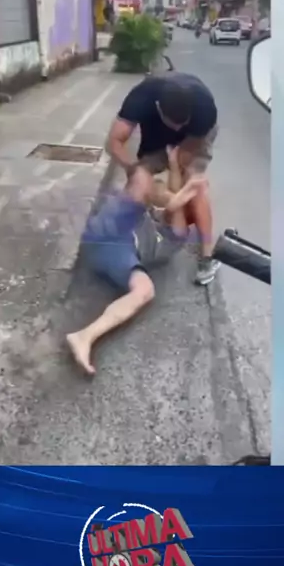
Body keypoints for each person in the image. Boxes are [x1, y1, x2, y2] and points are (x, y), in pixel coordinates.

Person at [66, 148, 205, 375]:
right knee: (139, 188)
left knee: (145, 290)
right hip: (114, 231)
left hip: (117, 247)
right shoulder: (150, 214)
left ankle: (84, 336)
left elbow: (174, 202)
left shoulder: (176, 236)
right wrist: (172, 166)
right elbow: (170, 198)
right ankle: (83, 337)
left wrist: (184, 189)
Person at [105, 73, 221, 286]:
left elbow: (183, 159)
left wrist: (175, 167)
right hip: (155, 140)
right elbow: (114, 142)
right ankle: (131, 237)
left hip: (193, 140)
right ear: (157, 107)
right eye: (173, 124)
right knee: (139, 179)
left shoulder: (203, 107)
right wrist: (134, 169)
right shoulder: (141, 97)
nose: (177, 129)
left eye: (182, 123)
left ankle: (208, 255)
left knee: (193, 182)